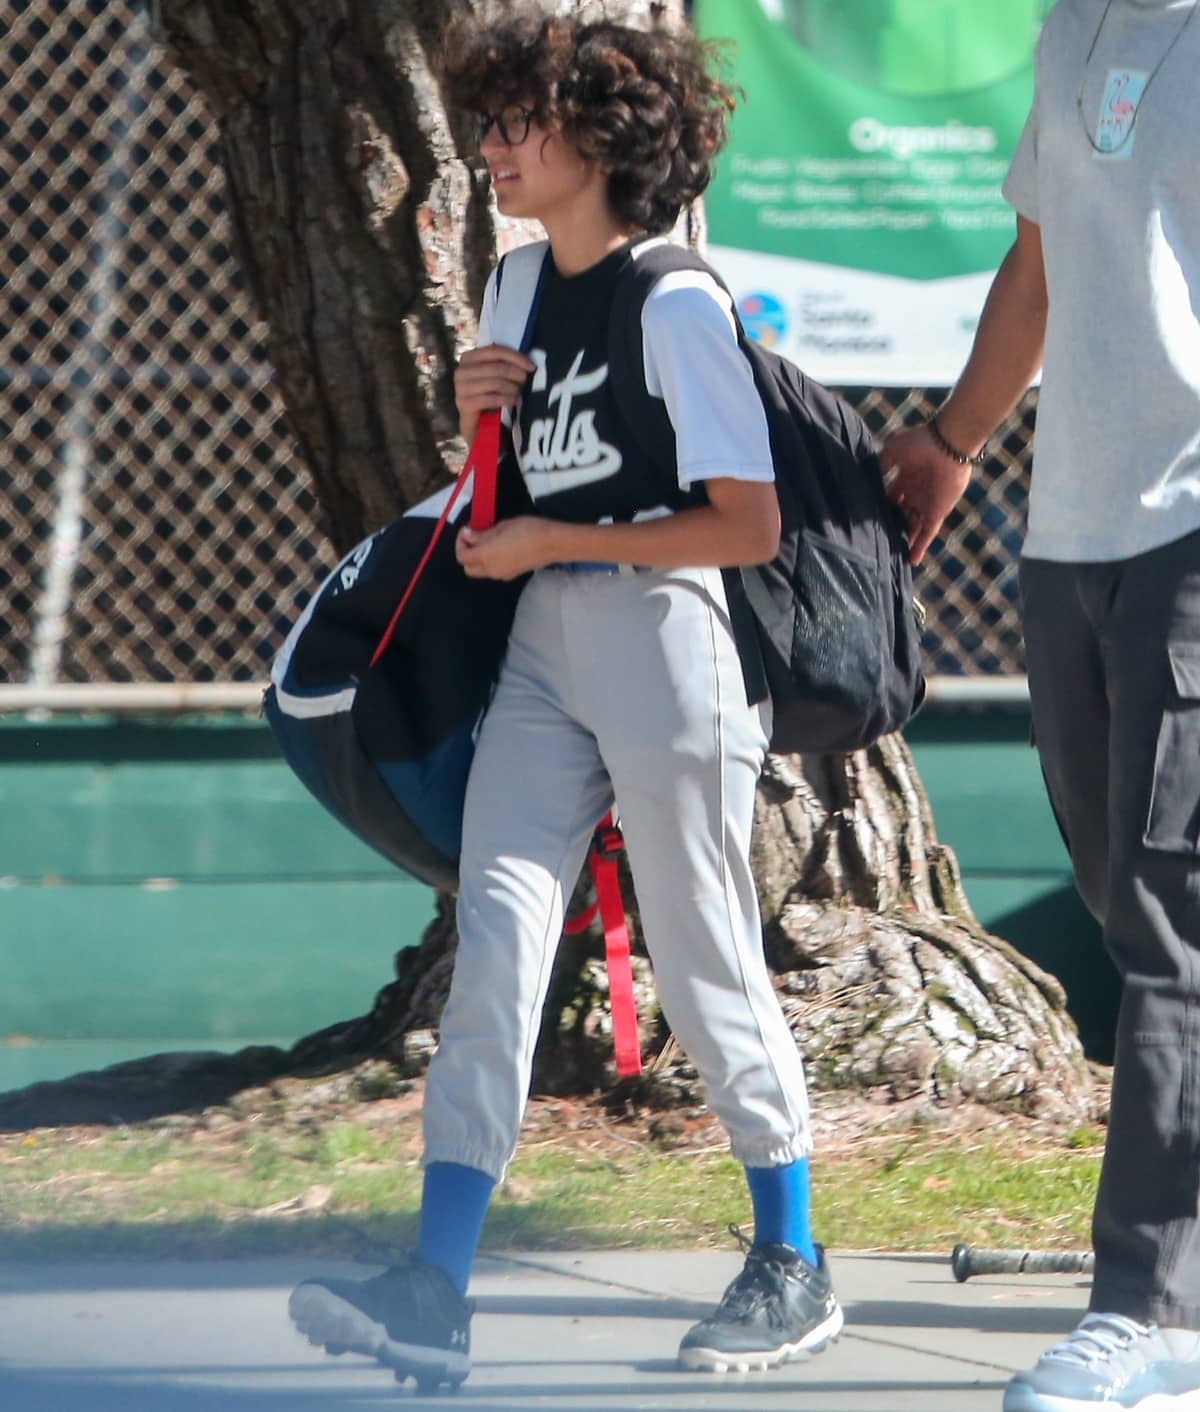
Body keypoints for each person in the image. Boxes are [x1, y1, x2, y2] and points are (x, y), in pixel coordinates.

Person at [286, 8, 841, 1391]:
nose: (487, 147)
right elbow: (519, 495)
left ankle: (793, 1258)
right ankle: (436, 1285)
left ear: (596, 138)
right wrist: (483, 419)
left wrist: (553, 539)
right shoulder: (521, 286)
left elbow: (747, 525)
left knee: (708, 949)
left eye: (513, 122)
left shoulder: (676, 299)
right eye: (486, 121)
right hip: (548, 635)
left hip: (666, 638)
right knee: (495, 944)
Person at [883, 1, 1200, 1408]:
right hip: (1070, 536)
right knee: (1121, 892)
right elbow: (1039, 264)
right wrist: (954, 442)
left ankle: (1148, 1309)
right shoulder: (1073, 30)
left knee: (1173, 931)